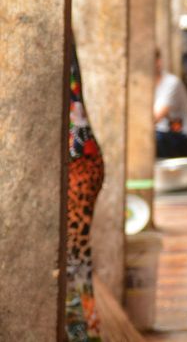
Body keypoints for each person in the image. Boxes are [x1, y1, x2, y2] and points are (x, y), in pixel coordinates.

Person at [66, 35, 104, 341]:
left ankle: (84, 333)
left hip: (77, 160)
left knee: (74, 261)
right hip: (81, 155)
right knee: (77, 261)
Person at [154, 49, 187, 158]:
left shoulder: (171, 83)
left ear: (158, 61)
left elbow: (155, 117)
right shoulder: (144, 86)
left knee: (153, 138)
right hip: (162, 138)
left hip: (182, 141)